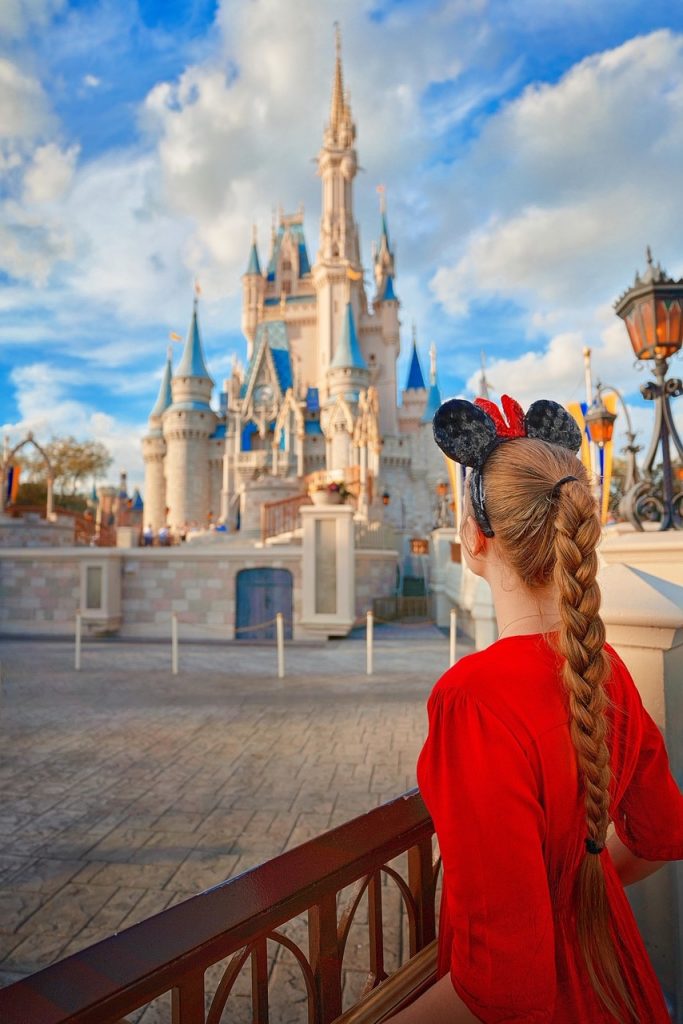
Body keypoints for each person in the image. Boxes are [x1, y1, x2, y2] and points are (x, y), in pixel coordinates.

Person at [388, 395, 683, 1024]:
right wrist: (579, 894)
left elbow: (501, 988)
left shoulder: (474, 699)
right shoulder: (611, 673)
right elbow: (659, 839)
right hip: (617, 979)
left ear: (473, 538)